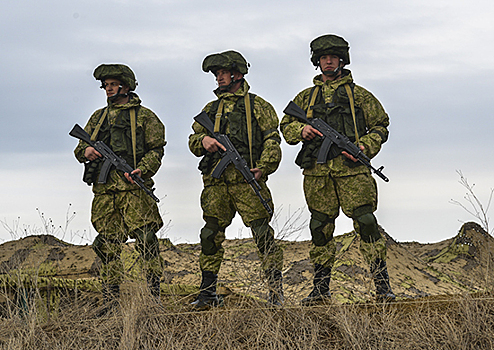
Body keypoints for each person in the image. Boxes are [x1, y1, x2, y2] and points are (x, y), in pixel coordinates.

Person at [280, 34, 395, 304]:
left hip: (353, 171)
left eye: (332, 57)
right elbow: (286, 127)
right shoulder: (305, 98)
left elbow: (381, 126)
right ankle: (320, 289)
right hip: (318, 175)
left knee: (367, 224)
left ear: (342, 60)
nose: (328, 62)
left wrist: (365, 146)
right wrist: (302, 129)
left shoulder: (360, 96)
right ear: (317, 62)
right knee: (320, 228)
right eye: (323, 58)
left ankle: (383, 287)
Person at [188, 51, 283, 308]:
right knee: (210, 236)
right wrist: (203, 141)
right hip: (217, 185)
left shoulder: (258, 106)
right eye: (216, 74)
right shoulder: (210, 110)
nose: (219, 77)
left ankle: (276, 294)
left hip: (247, 181)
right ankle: (207, 293)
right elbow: (193, 139)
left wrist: (264, 168)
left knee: (263, 234)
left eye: (223, 73)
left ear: (237, 74)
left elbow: (273, 140)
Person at [74, 64, 166, 313]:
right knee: (106, 243)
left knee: (147, 240)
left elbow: (157, 149)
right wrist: (87, 151)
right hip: (105, 192)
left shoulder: (145, 116)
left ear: (125, 86)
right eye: (105, 85)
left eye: (112, 84)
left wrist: (143, 170)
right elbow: (78, 149)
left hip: (134, 189)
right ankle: (111, 300)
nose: (108, 89)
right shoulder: (98, 117)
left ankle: (154, 297)